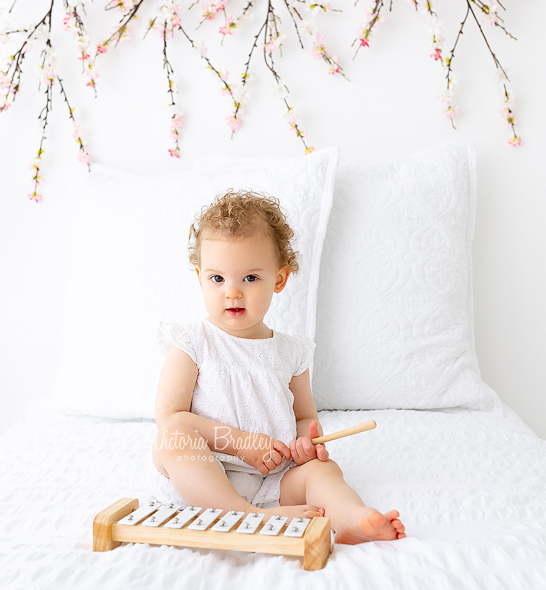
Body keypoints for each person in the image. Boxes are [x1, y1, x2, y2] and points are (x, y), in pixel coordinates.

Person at [150, 190, 405, 544]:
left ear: (280, 279)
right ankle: (246, 517)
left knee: (322, 469)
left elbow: (304, 417)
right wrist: (239, 443)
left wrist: (305, 443)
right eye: (217, 278)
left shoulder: (291, 353)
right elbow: (171, 418)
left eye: (250, 278)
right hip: (205, 478)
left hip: (272, 479)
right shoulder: (193, 343)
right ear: (199, 277)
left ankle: (347, 518)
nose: (232, 292)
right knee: (171, 440)